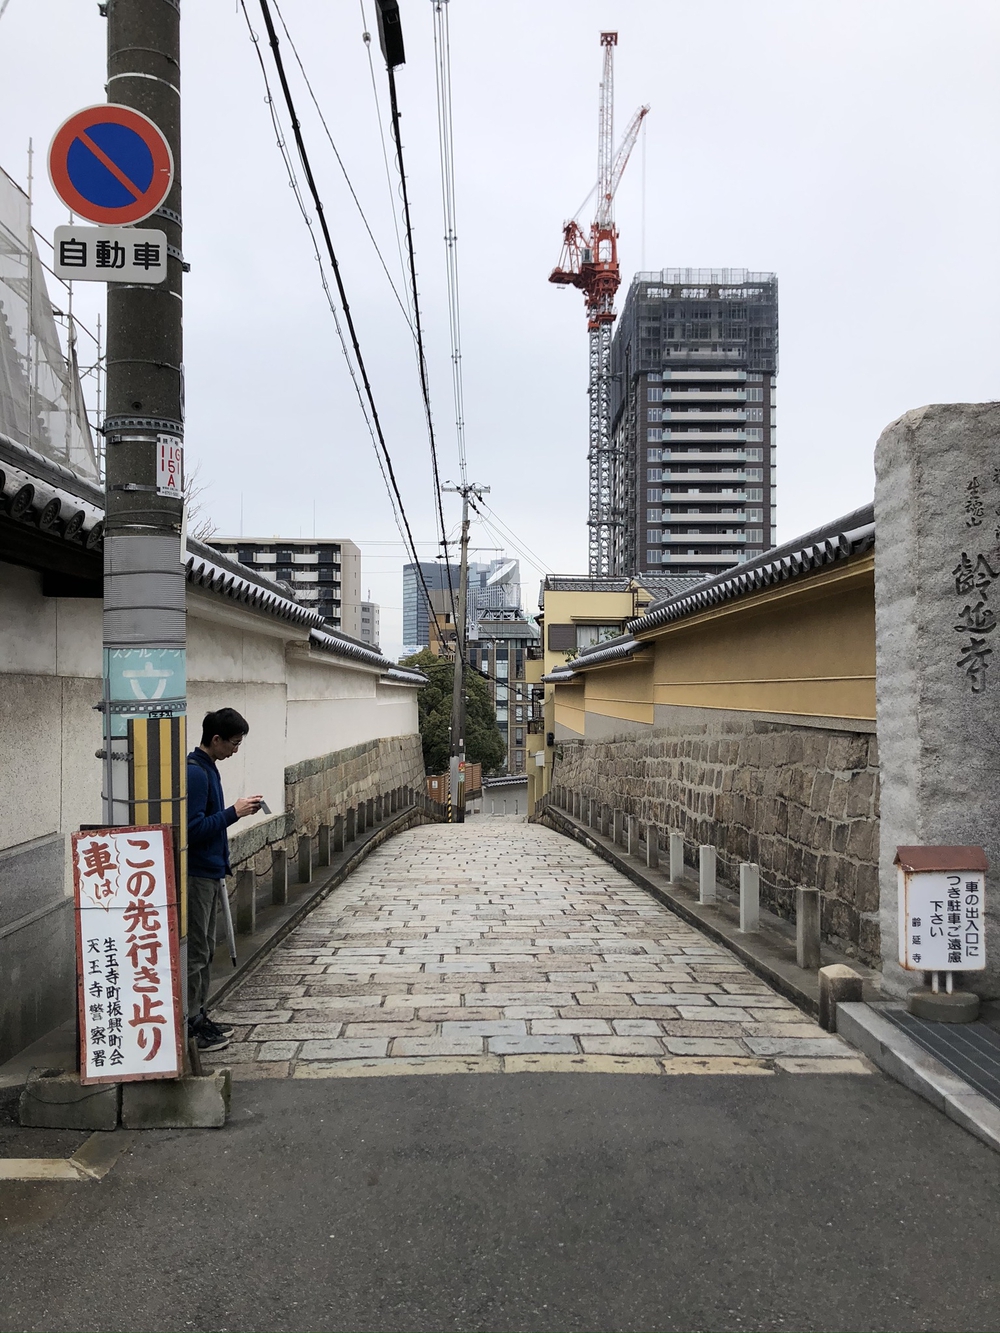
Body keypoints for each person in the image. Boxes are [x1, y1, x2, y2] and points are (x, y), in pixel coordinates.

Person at [186, 707, 262, 1052]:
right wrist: (234, 812)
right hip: (198, 872)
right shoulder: (196, 774)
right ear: (215, 739)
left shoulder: (208, 768)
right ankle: (191, 1024)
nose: (236, 749)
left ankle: (200, 1015)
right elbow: (192, 829)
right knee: (197, 951)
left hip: (210, 870)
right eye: (233, 743)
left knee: (204, 948)